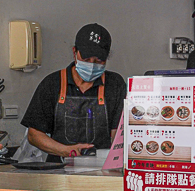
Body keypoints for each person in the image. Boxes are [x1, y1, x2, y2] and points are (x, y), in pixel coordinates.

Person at [22, 23, 126, 160]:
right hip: (59, 171)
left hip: (102, 171)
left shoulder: (115, 84)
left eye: (99, 61)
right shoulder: (52, 83)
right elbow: (34, 134)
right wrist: (66, 151)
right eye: (86, 59)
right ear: (74, 52)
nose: (92, 65)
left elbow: (119, 135)